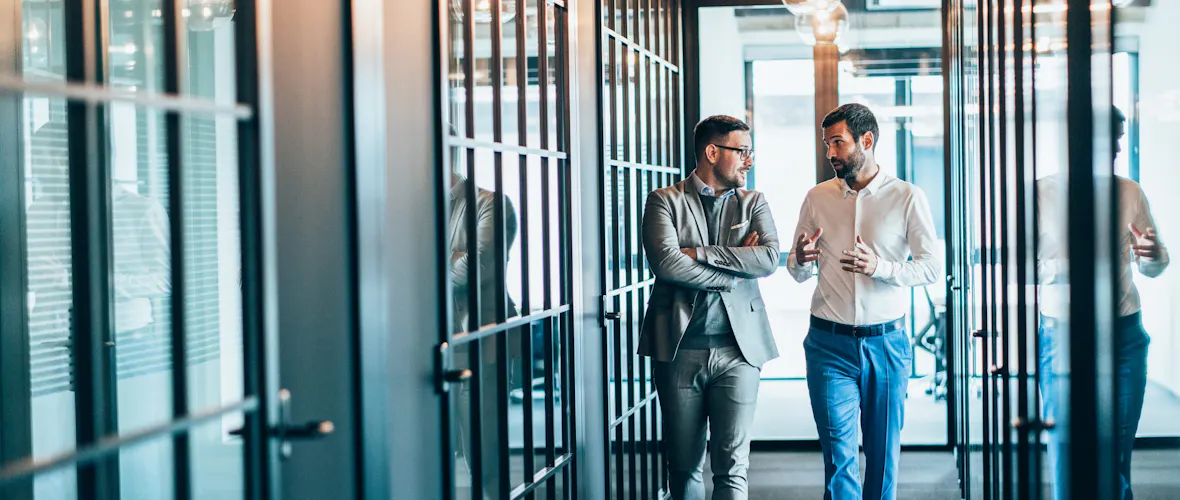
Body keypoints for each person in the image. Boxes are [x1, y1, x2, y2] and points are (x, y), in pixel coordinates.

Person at [787, 103, 941, 500]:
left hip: (886, 345)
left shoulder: (907, 196)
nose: (830, 154)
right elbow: (797, 268)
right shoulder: (816, 197)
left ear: (866, 141)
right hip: (828, 345)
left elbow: (930, 268)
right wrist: (801, 260)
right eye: (827, 145)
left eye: (837, 143)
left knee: (882, 454)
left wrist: (882, 268)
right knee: (838, 457)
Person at [639, 114, 780, 500]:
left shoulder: (754, 202)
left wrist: (700, 253)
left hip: (740, 351)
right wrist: (734, 269)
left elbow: (768, 259)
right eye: (742, 151)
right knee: (683, 465)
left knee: (733, 467)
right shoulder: (664, 200)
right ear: (712, 152)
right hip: (679, 349)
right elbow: (667, 264)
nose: (749, 161)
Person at [1037, 106, 1168, 500]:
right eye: (1108, 139)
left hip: (1124, 335)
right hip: (1063, 336)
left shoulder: (1129, 191)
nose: (1115, 148)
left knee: (1115, 459)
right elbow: (1022, 266)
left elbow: (1153, 266)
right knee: (1066, 453)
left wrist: (1151, 252)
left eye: (1118, 140)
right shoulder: (1039, 194)